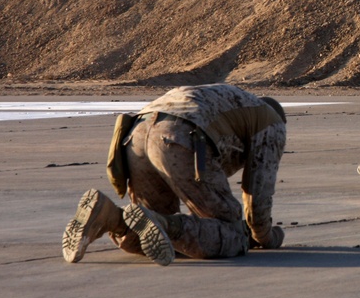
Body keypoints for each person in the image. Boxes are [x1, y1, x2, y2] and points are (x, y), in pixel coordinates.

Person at [62, 83, 287, 266]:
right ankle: (163, 222)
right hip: (181, 135)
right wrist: (265, 236)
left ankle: (110, 217)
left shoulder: (233, 100)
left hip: (136, 134)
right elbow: (259, 190)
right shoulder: (272, 122)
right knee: (232, 233)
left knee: (152, 230)